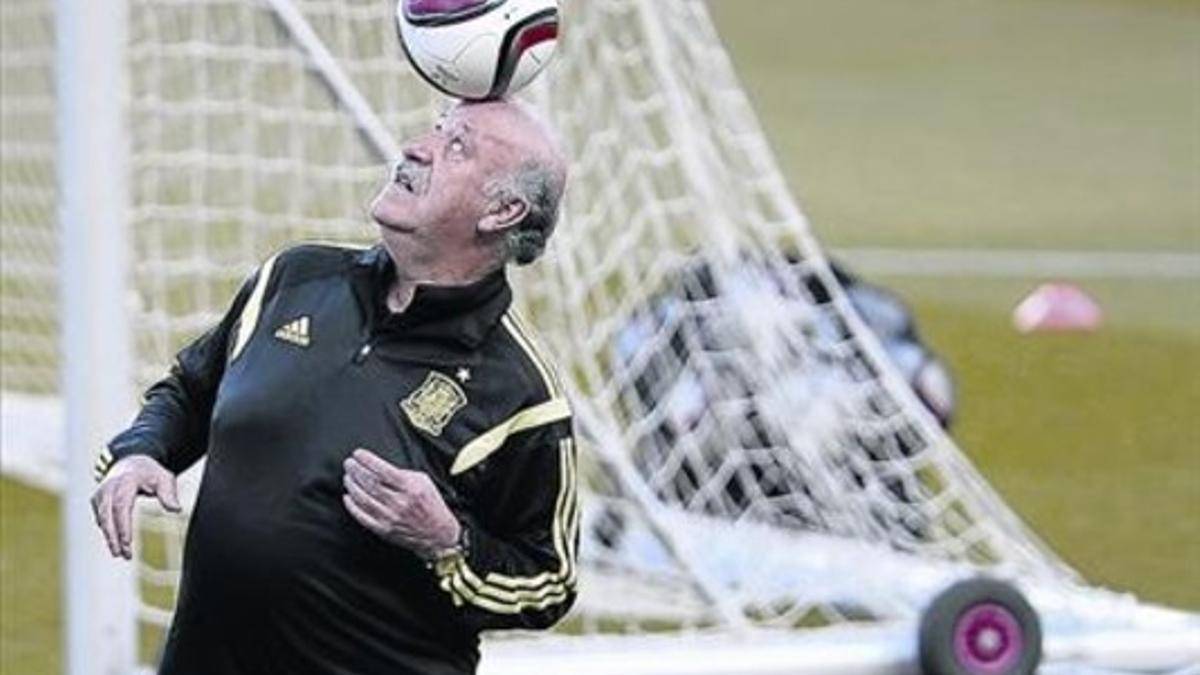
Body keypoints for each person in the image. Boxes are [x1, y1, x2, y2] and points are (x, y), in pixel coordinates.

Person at [90, 99, 578, 675]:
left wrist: (447, 541)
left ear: (503, 211)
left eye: (456, 147)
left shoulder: (521, 392)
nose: (415, 147)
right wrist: (141, 452)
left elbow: (548, 581)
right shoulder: (293, 278)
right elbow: (191, 389)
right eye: (435, 128)